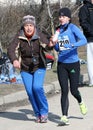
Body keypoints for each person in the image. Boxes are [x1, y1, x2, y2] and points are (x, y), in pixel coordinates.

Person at [7, 15, 50, 123]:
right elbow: (11, 49)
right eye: (26, 25)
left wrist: (51, 43)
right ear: (23, 26)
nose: (29, 28)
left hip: (39, 66)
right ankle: (37, 114)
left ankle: (44, 112)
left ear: (34, 26)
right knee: (30, 92)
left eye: (31, 25)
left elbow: (47, 45)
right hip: (25, 68)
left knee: (37, 87)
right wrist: (15, 60)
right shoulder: (19, 36)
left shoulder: (38, 34)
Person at [49, 7, 88, 125]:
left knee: (73, 90)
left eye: (63, 16)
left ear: (69, 18)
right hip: (61, 64)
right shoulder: (57, 31)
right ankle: (64, 116)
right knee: (64, 90)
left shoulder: (73, 28)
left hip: (73, 63)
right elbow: (57, 48)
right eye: (60, 17)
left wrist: (73, 45)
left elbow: (84, 40)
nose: (61, 19)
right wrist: (53, 44)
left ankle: (80, 102)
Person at [79, 0, 93, 87]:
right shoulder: (84, 9)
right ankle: (92, 80)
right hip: (91, 38)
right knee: (91, 60)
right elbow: (83, 23)